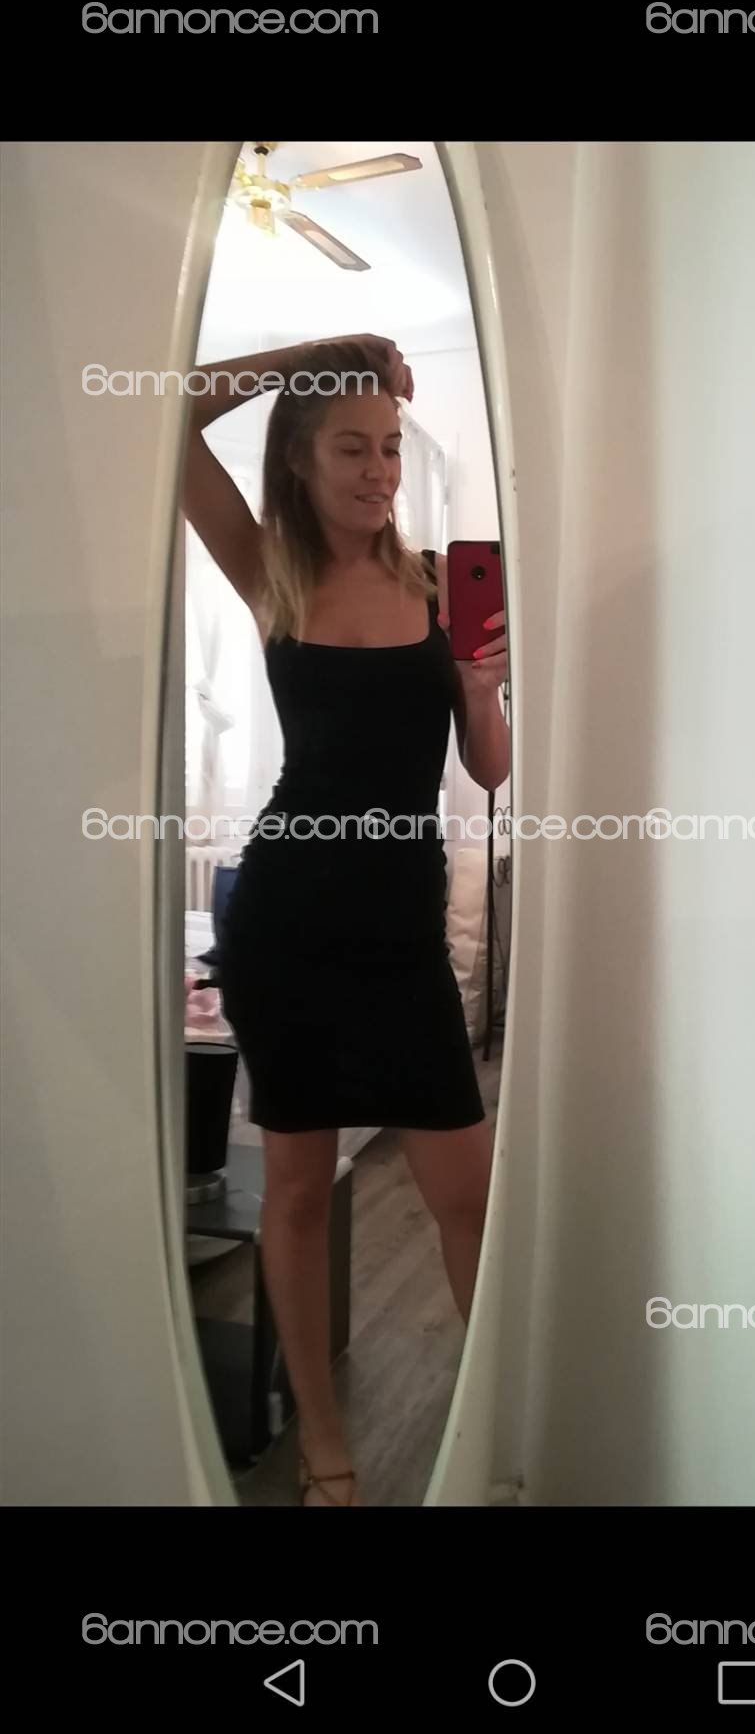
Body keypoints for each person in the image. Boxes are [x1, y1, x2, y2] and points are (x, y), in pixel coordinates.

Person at [182, 334, 509, 1505]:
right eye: (352, 449)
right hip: (289, 922)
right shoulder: (268, 568)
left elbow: (487, 767)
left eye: (389, 450)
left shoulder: (434, 583)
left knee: (465, 1195)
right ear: (301, 459)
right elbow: (175, 411)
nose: (379, 472)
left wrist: (480, 689)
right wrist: (315, 357)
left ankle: (490, 1425)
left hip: (401, 931)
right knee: (298, 1190)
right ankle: (323, 1445)